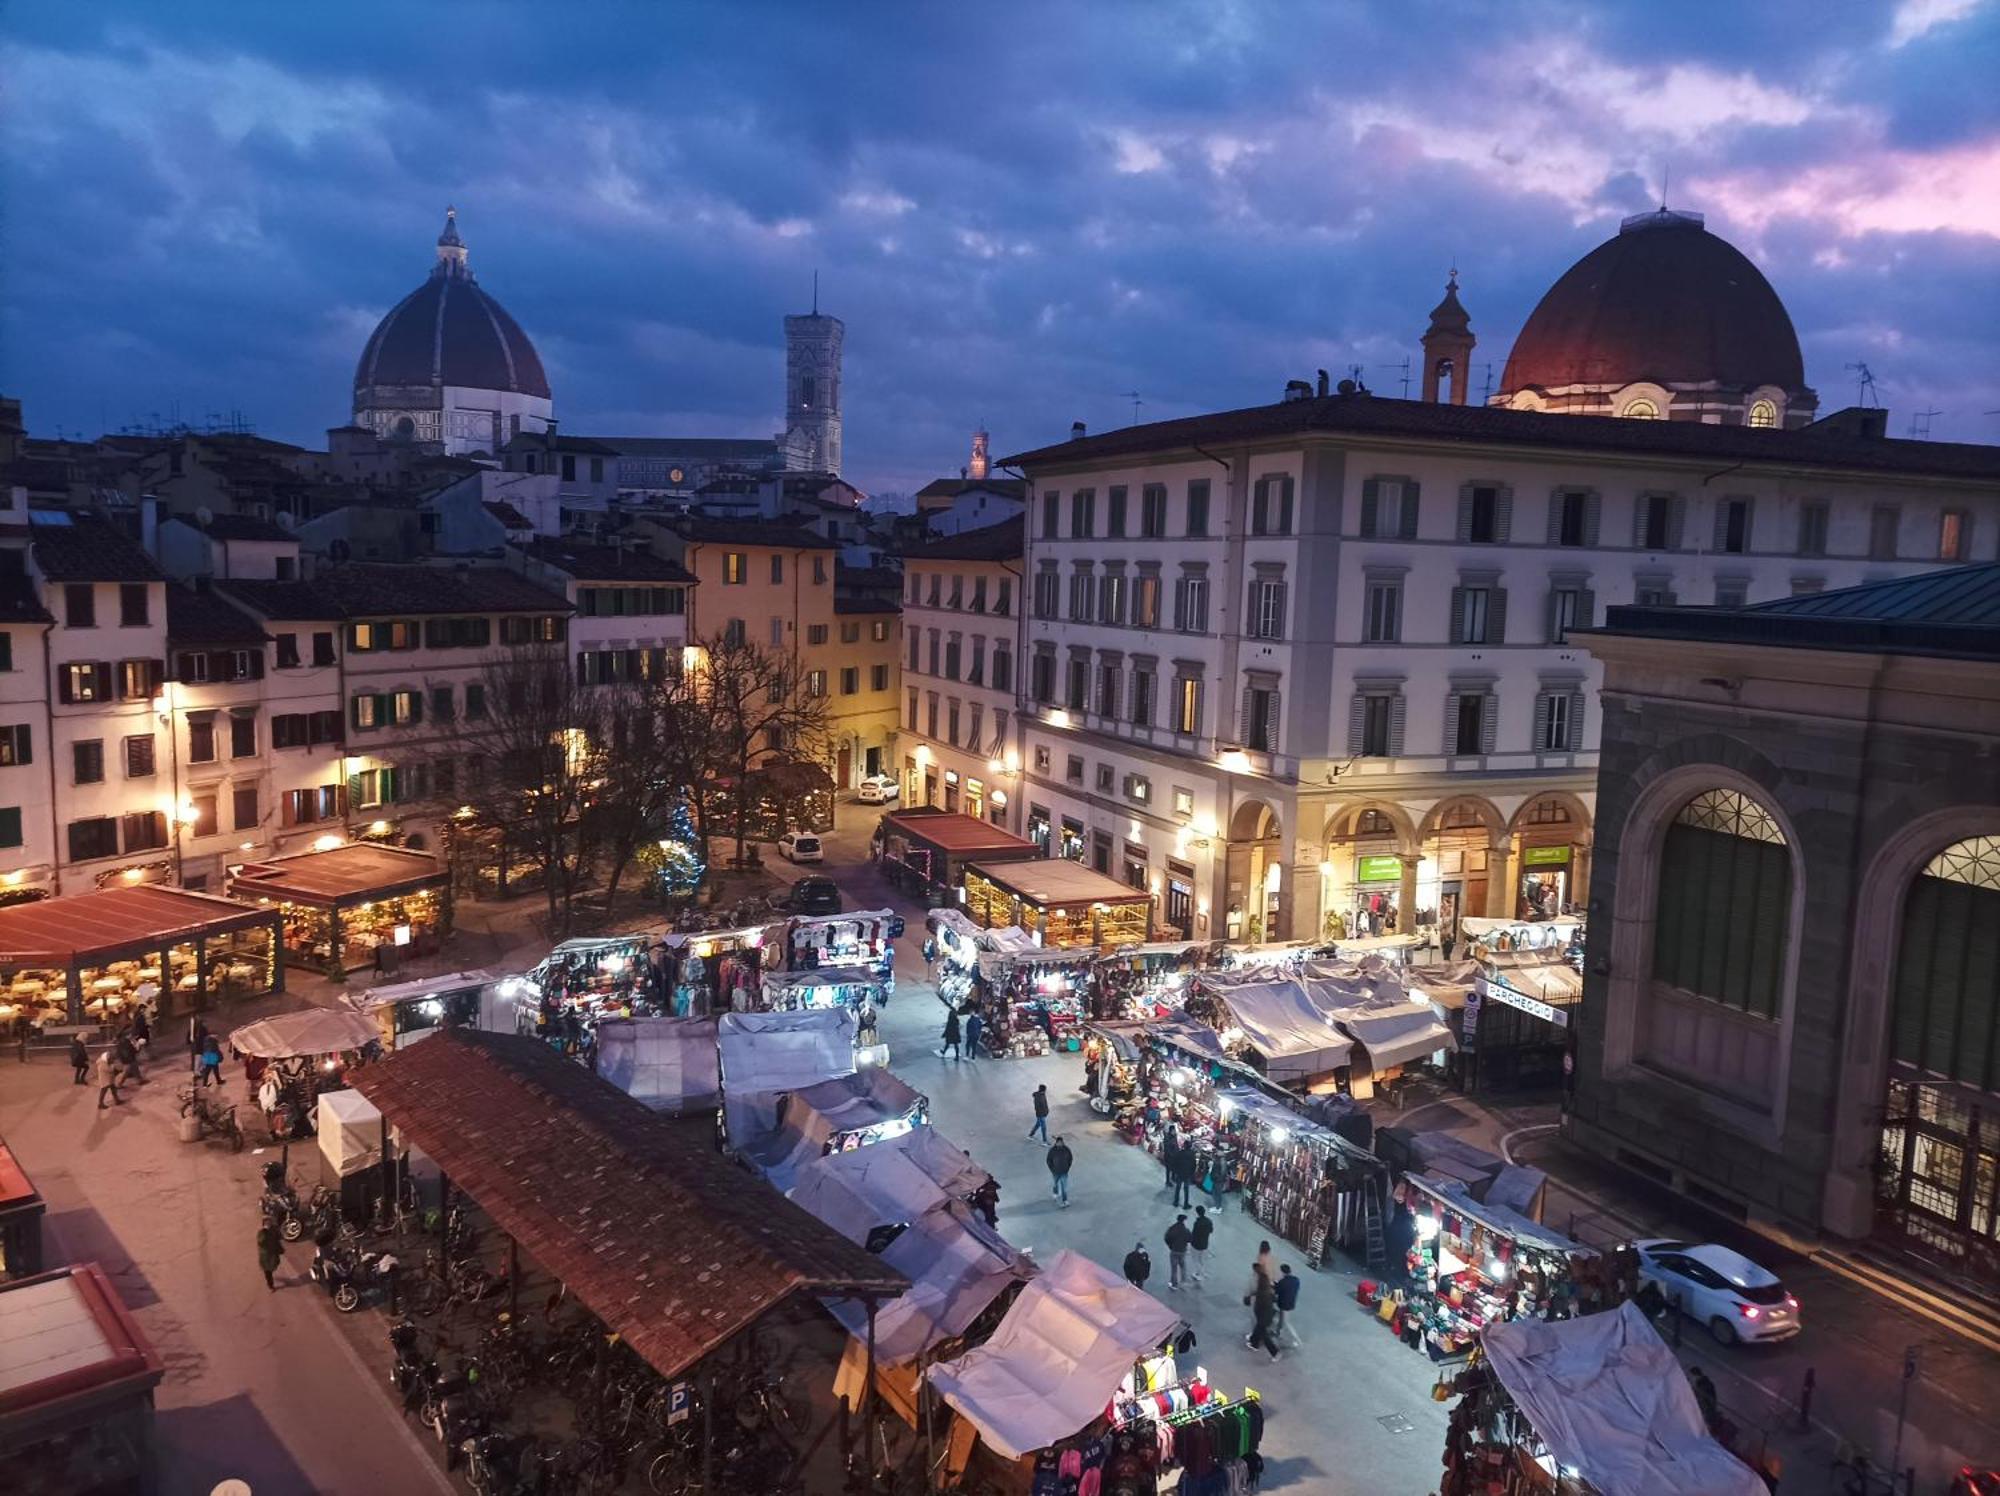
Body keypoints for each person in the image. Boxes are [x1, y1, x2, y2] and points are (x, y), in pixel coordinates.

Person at [1244, 1272, 1281, 1359]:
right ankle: (1254, 1343)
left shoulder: (1261, 1292)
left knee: (1263, 1334)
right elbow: (1274, 1299)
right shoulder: (1268, 1291)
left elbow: (1248, 1300)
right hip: (1268, 1315)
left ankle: (1275, 1353)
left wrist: (1248, 1297)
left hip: (1263, 1317)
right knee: (1258, 1329)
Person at [1274, 1263, 1302, 1346]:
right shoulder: (1296, 1279)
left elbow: (1276, 1291)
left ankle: (1296, 1339)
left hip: (1284, 1304)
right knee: (1281, 1318)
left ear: (1282, 1272)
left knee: (1286, 1322)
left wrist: (1275, 1284)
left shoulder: (1283, 1281)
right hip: (1291, 1302)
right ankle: (1277, 1332)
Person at [1165, 1214, 1192, 1290]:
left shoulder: (1172, 1228)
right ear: (1184, 1220)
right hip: (1182, 1251)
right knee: (1183, 1266)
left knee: (1174, 1268)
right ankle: (1183, 1281)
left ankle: (1174, 1284)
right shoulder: (1186, 1230)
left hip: (1174, 1251)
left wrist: (1170, 1246)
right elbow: (1190, 1239)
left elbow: (1167, 1238)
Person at [1045, 1134, 1073, 1207]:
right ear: (1056, 1143)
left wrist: (1067, 1168)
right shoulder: (1052, 1150)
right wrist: (1052, 1169)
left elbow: (1070, 1159)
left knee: (1064, 1187)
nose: (1060, 1144)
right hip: (1055, 1172)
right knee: (1055, 1184)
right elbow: (1048, 1160)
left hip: (1064, 1172)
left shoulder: (1066, 1149)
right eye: (1059, 1142)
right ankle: (1055, 1193)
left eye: (1061, 1142)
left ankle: (1065, 1200)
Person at [257, 1218, 283, 1291]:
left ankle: (271, 1281)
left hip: (273, 1254)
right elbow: (260, 1241)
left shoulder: (274, 1230)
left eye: (269, 1223)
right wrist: (265, 1231)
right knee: (268, 1271)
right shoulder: (261, 1233)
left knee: (274, 1265)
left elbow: (279, 1237)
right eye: (267, 1224)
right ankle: (270, 1285)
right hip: (266, 1256)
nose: (268, 1225)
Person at [1189, 1206, 1213, 1283]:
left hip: (1196, 1244)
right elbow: (1211, 1230)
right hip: (1205, 1243)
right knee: (1201, 1260)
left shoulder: (1197, 1223)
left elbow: (1194, 1234)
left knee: (1196, 1260)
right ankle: (1201, 1272)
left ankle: (1200, 1274)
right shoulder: (1209, 1221)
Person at [1171, 1138, 1195, 1209]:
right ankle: (1186, 1204)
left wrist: (1175, 1172)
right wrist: (1191, 1173)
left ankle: (1176, 1202)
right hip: (1187, 1174)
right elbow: (1194, 1165)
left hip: (1180, 1173)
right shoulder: (1192, 1154)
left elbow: (1175, 1162)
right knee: (1186, 1189)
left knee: (1178, 1188)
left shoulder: (1180, 1153)